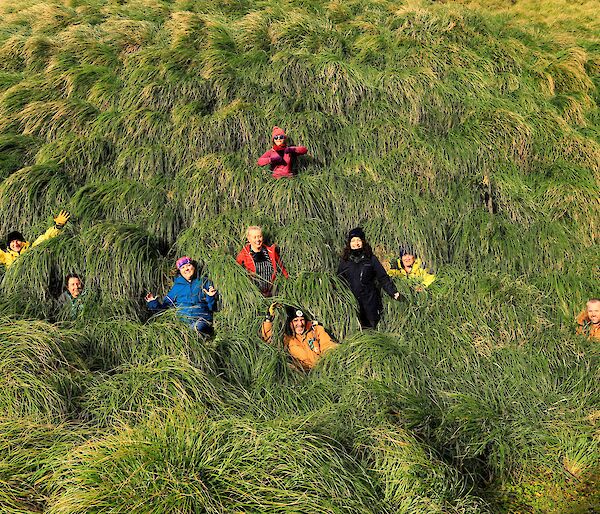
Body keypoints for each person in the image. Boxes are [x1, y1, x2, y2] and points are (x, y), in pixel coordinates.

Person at [337, 227, 401, 329]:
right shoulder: (345, 261)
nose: (356, 243)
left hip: (369, 301)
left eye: (358, 240)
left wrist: (393, 291)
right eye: (353, 241)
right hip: (352, 301)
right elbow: (339, 280)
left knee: (370, 329)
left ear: (363, 241)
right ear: (349, 243)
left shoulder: (370, 258)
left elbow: (382, 277)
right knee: (355, 329)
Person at [145, 256, 218, 335]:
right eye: (182, 267)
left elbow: (212, 308)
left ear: (194, 267)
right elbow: (163, 309)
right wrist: (152, 302)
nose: (186, 269)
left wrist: (211, 297)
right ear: (179, 271)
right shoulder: (176, 287)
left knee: (197, 327)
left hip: (202, 321)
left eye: (188, 265)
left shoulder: (204, 281)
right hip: (183, 324)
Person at [260, 303, 338, 370]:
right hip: (304, 376)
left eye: (302, 320)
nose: (300, 324)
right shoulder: (287, 338)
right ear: (290, 323)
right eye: (295, 320)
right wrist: (268, 319)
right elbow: (269, 339)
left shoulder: (316, 330)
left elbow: (327, 344)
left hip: (322, 369)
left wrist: (329, 361)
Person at [0, 210, 70, 269]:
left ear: (22, 241)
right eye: (12, 242)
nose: (15, 244)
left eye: (17, 241)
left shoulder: (32, 248)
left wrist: (58, 226)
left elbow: (46, 236)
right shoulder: (7, 257)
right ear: (9, 245)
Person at [236, 226, 288, 296]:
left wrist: (288, 280)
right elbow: (237, 272)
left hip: (271, 292)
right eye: (254, 237)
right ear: (248, 239)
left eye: (259, 236)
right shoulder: (243, 254)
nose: (258, 240)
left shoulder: (270, 251)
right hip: (254, 294)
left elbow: (281, 267)